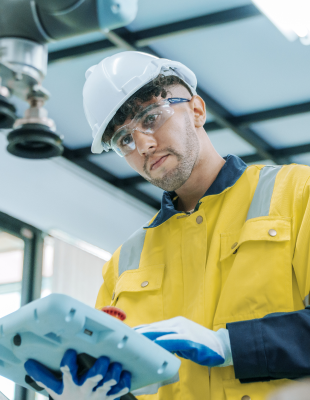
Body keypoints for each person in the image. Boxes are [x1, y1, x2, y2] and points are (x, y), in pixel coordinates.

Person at [26, 51, 310, 400]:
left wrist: (229, 345)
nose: (143, 145)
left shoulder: (298, 194)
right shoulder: (124, 263)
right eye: (124, 140)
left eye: (151, 118)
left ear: (196, 110)